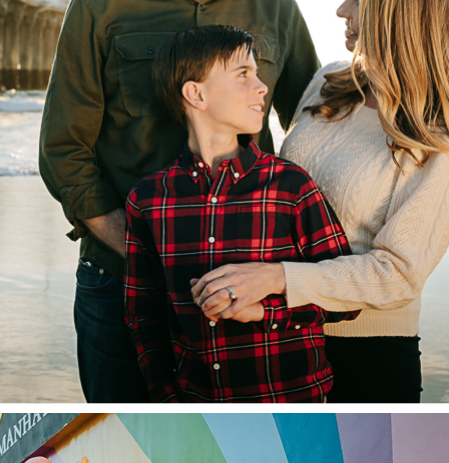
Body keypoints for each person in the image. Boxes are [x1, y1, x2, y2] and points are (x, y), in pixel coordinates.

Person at [38, 0, 320, 404]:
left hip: (240, 289)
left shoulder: (278, 13)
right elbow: (63, 149)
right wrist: (146, 251)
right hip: (116, 282)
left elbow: (314, 132)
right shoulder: (99, 8)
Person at [191, 0, 449, 403]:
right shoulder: (331, 80)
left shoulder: (442, 141)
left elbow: (397, 275)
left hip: (365, 356)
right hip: (277, 332)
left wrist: (276, 279)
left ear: (400, 16)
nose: (341, 10)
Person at [125, 24, 357, 402]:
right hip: (195, 405)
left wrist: (265, 311)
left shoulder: (290, 186)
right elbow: (143, 317)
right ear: (195, 94)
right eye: (243, 74)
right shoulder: (149, 200)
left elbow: (346, 298)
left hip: (293, 402)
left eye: (258, 74)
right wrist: (166, 397)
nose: (262, 87)